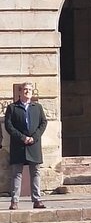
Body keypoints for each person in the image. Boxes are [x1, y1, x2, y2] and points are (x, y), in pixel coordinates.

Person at [4, 82, 48, 210]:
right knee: (16, 174)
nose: (27, 91)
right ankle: (15, 201)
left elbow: (43, 123)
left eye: (30, 89)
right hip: (19, 145)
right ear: (20, 91)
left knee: (35, 172)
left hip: (34, 145)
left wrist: (34, 137)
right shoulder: (12, 107)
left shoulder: (37, 107)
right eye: (25, 89)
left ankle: (37, 200)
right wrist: (22, 137)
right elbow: (9, 125)